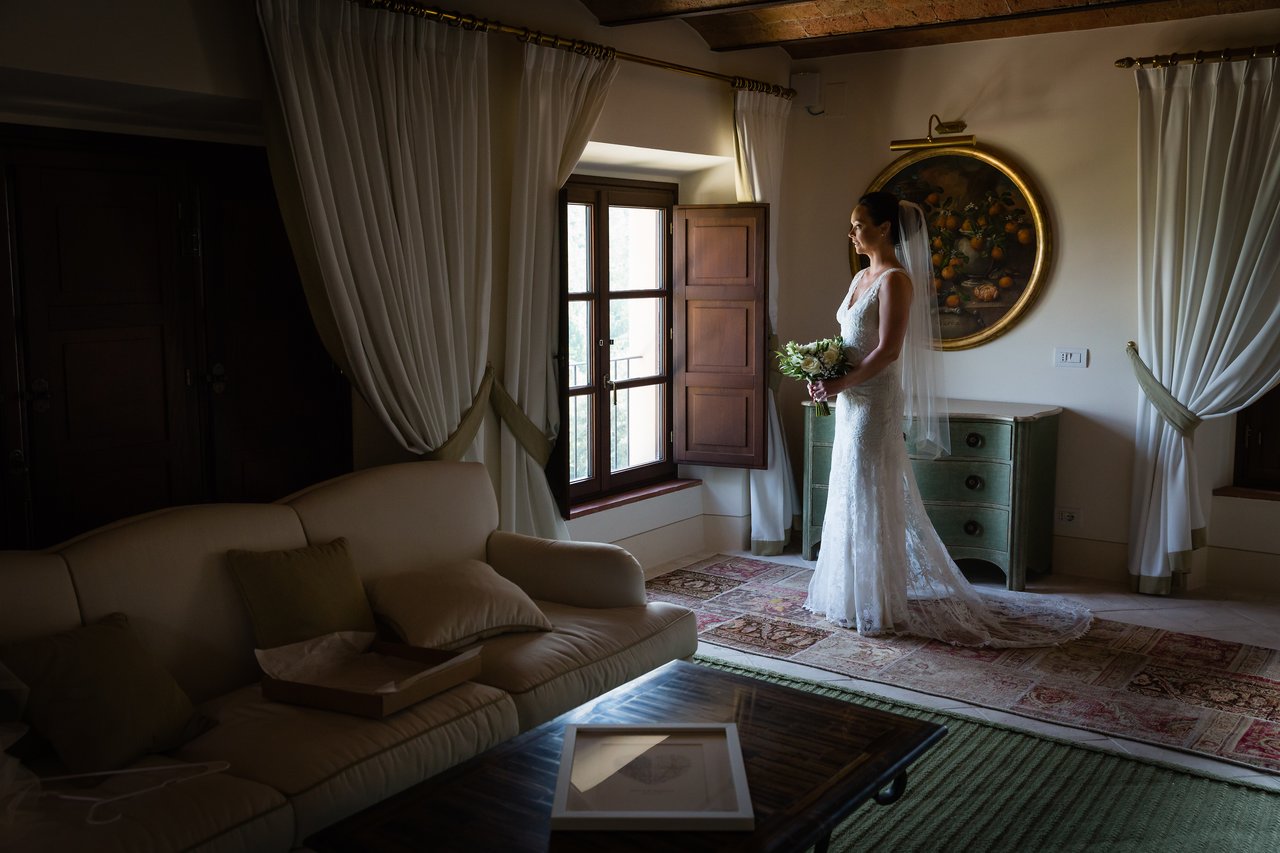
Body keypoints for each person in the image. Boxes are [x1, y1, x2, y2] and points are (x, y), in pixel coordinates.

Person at [804, 191, 1092, 647]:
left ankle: (878, 600)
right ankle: (850, 593)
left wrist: (841, 383)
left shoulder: (895, 280)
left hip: (873, 403)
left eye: (859, 224)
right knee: (847, 488)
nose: (852, 232)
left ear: (884, 228)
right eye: (852, 224)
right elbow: (850, 340)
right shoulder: (860, 276)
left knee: (869, 491)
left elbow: (889, 350)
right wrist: (825, 372)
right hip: (848, 400)